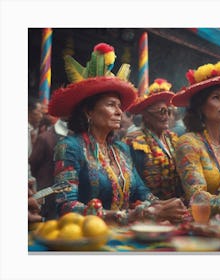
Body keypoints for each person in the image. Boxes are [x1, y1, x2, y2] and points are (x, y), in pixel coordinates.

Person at [48, 43, 187, 225]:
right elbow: (66, 205)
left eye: (119, 106)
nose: (120, 112)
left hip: (124, 236)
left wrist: (165, 205)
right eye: (111, 105)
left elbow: (141, 192)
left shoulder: (121, 148)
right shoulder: (69, 147)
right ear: (89, 111)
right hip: (87, 239)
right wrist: (129, 215)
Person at [172, 61, 220, 218]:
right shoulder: (188, 143)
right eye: (216, 98)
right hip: (203, 224)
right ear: (200, 107)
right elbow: (195, 196)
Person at [123, 78, 183, 201]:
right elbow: (133, 181)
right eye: (162, 111)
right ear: (147, 116)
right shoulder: (134, 141)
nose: (166, 116)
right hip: (147, 205)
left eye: (169, 111)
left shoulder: (173, 139)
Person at [29, 118, 70, 220]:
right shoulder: (45, 138)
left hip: (64, 191)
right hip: (46, 191)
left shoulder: (75, 138)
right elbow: (33, 163)